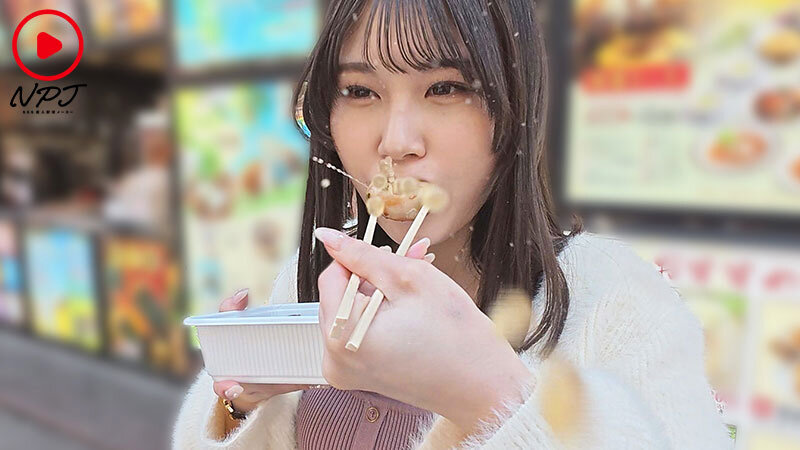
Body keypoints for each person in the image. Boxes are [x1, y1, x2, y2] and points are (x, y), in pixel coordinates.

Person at [172, 0, 732, 448]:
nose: (396, 143)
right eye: (360, 91)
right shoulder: (317, 278)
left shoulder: (618, 303)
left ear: (514, 106)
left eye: (446, 88)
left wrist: (494, 398)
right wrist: (239, 404)